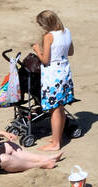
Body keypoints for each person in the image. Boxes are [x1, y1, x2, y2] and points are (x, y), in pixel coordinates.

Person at [32, 10, 75, 152]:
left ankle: (56, 143)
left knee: (54, 109)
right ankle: (58, 137)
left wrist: (37, 50)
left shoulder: (48, 36)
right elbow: (70, 52)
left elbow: (45, 60)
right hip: (64, 72)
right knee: (60, 107)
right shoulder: (66, 31)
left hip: (52, 75)